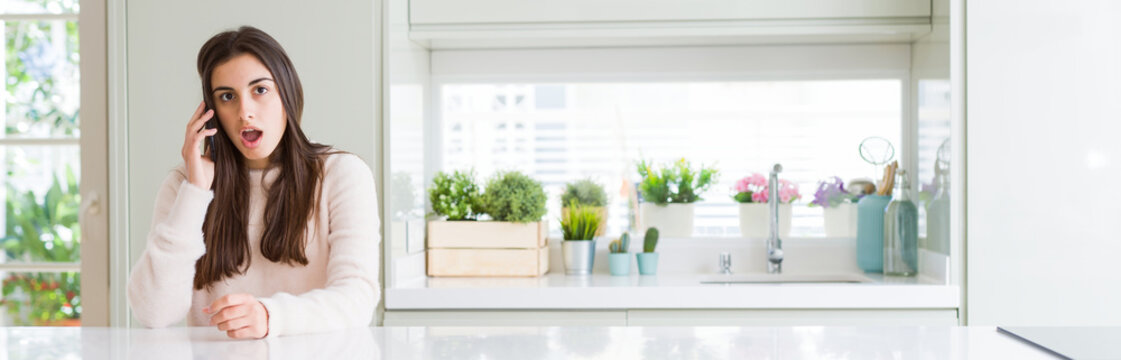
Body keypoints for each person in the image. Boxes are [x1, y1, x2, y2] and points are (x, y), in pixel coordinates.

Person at [127, 26, 380, 339]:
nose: (244, 112)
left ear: (287, 93)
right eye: (227, 96)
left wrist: (270, 316)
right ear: (212, 111)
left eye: (260, 90)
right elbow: (153, 312)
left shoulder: (342, 175)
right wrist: (194, 194)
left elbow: (357, 298)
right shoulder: (186, 184)